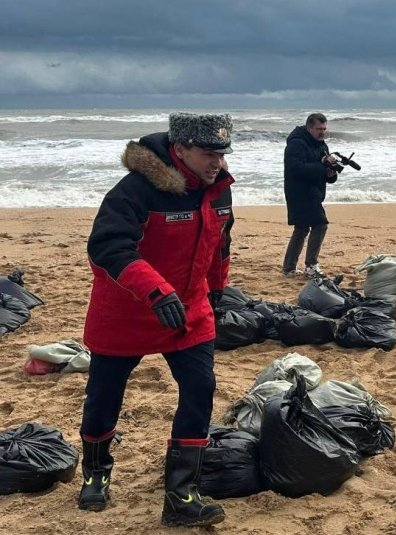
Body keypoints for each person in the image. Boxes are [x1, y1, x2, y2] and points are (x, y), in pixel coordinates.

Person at [78, 113, 235, 527]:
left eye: (221, 153)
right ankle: (95, 473)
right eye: (208, 153)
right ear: (179, 149)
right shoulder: (136, 190)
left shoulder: (219, 191)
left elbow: (219, 244)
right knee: (103, 396)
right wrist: (155, 289)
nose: (216, 162)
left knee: (200, 388)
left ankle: (182, 494)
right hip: (127, 308)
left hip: (188, 310)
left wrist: (217, 291)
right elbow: (107, 245)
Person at [282, 113, 339, 278]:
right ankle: (311, 265)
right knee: (320, 224)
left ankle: (289, 268)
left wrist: (331, 173)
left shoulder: (322, 145)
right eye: (318, 129)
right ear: (309, 128)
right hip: (299, 193)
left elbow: (328, 176)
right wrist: (322, 167)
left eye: (324, 129)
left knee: (301, 229)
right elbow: (295, 168)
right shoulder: (296, 144)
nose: (322, 132)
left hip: (314, 192)